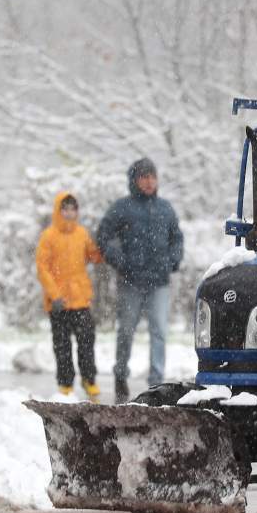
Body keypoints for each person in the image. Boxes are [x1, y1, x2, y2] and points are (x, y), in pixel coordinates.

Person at [96, 158, 183, 402]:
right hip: (130, 281)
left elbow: (177, 238)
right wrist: (120, 261)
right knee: (126, 330)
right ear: (134, 180)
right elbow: (103, 236)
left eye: (152, 176)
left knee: (159, 332)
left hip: (159, 282)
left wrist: (173, 261)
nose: (149, 181)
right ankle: (120, 374)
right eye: (144, 177)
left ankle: (156, 383)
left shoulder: (165, 208)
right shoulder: (122, 208)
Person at [36, 192, 104, 400]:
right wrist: (54, 295)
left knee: (86, 340)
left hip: (80, 298)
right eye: (65, 209)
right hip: (58, 302)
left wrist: (103, 247)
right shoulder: (49, 236)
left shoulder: (81, 233)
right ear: (58, 211)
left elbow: (93, 256)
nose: (69, 213)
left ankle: (89, 379)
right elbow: (42, 267)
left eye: (73, 209)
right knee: (62, 344)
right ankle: (65, 383)